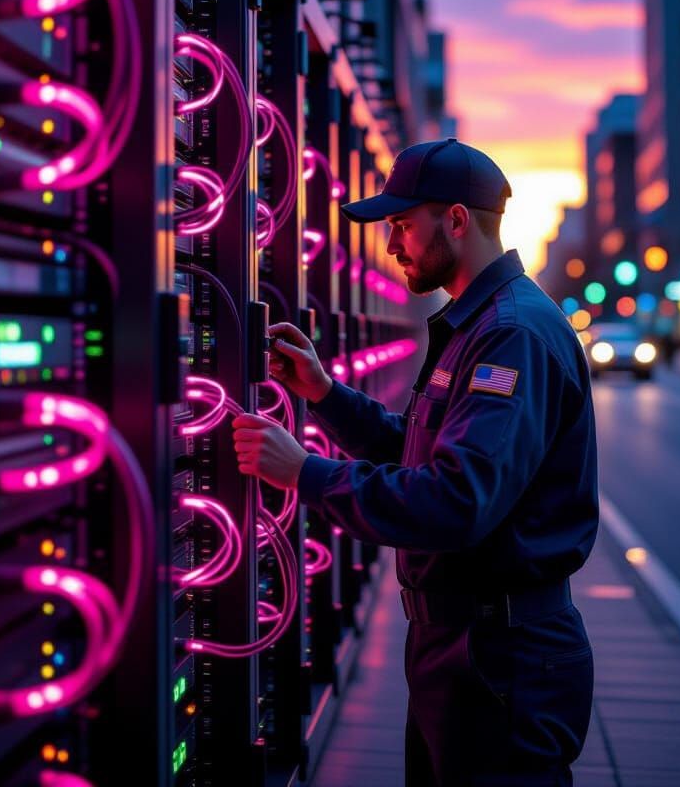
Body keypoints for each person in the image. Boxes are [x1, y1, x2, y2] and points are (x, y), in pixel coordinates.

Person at [232, 138, 598, 786]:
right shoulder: (482, 322)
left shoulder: (510, 334)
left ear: (456, 220)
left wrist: (305, 473)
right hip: (466, 647)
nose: (392, 243)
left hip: (500, 657)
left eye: (402, 224)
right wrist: (323, 392)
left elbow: (456, 501)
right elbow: (420, 448)